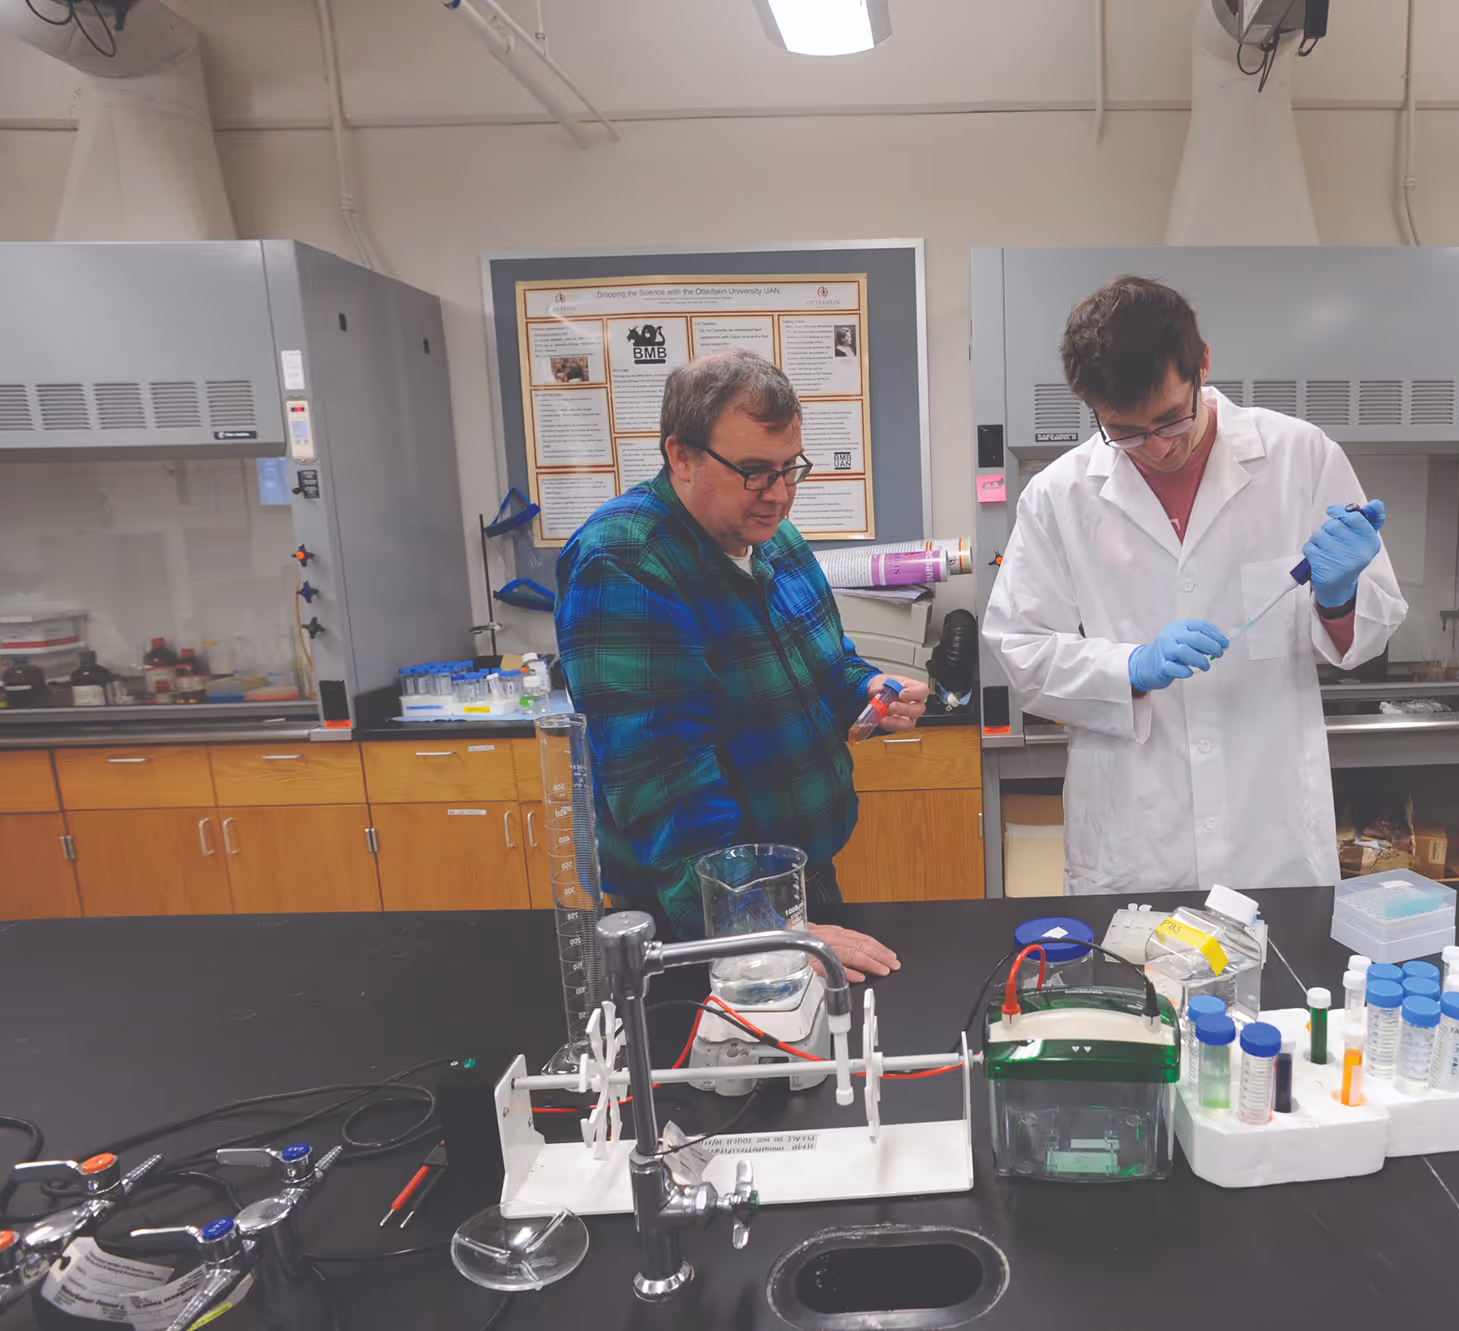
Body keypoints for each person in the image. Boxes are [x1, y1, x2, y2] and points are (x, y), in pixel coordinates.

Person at [983, 276, 1407, 895]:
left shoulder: (1300, 458)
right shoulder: (1058, 496)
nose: (1154, 448)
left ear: (1202, 365)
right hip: (1135, 841)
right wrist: (1130, 666)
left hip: (1270, 837)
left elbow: (1371, 628)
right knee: (1136, 985)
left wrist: (1338, 596)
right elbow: (1020, 649)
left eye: (1169, 420)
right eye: (1124, 431)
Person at [556, 350, 923, 980]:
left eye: (789, 470)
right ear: (681, 455)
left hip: (798, 880)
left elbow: (826, 660)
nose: (778, 495)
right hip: (698, 912)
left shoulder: (770, 534)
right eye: (754, 471)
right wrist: (759, 927)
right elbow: (665, 782)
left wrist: (865, 687)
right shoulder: (626, 561)